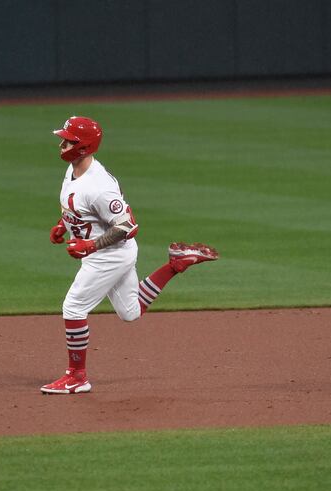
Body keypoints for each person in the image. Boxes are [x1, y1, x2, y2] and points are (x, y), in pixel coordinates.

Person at [41, 116, 219, 394]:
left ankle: (77, 376)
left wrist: (90, 246)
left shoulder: (99, 186)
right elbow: (79, 208)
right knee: (130, 313)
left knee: (73, 307)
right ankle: (176, 264)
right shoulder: (74, 171)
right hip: (111, 253)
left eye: (69, 140)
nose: (62, 144)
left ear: (85, 147)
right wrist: (62, 225)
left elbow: (128, 226)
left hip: (108, 255)